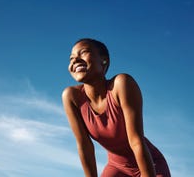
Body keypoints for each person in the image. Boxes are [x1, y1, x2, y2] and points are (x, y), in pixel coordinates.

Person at [62, 38, 171, 177]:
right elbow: (85, 146)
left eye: (83, 52)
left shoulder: (121, 84)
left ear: (104, 61)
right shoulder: (71, 97)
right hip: (116, 167)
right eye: (71, 58)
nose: (75, 60)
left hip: (150, 164)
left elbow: (136, 140)